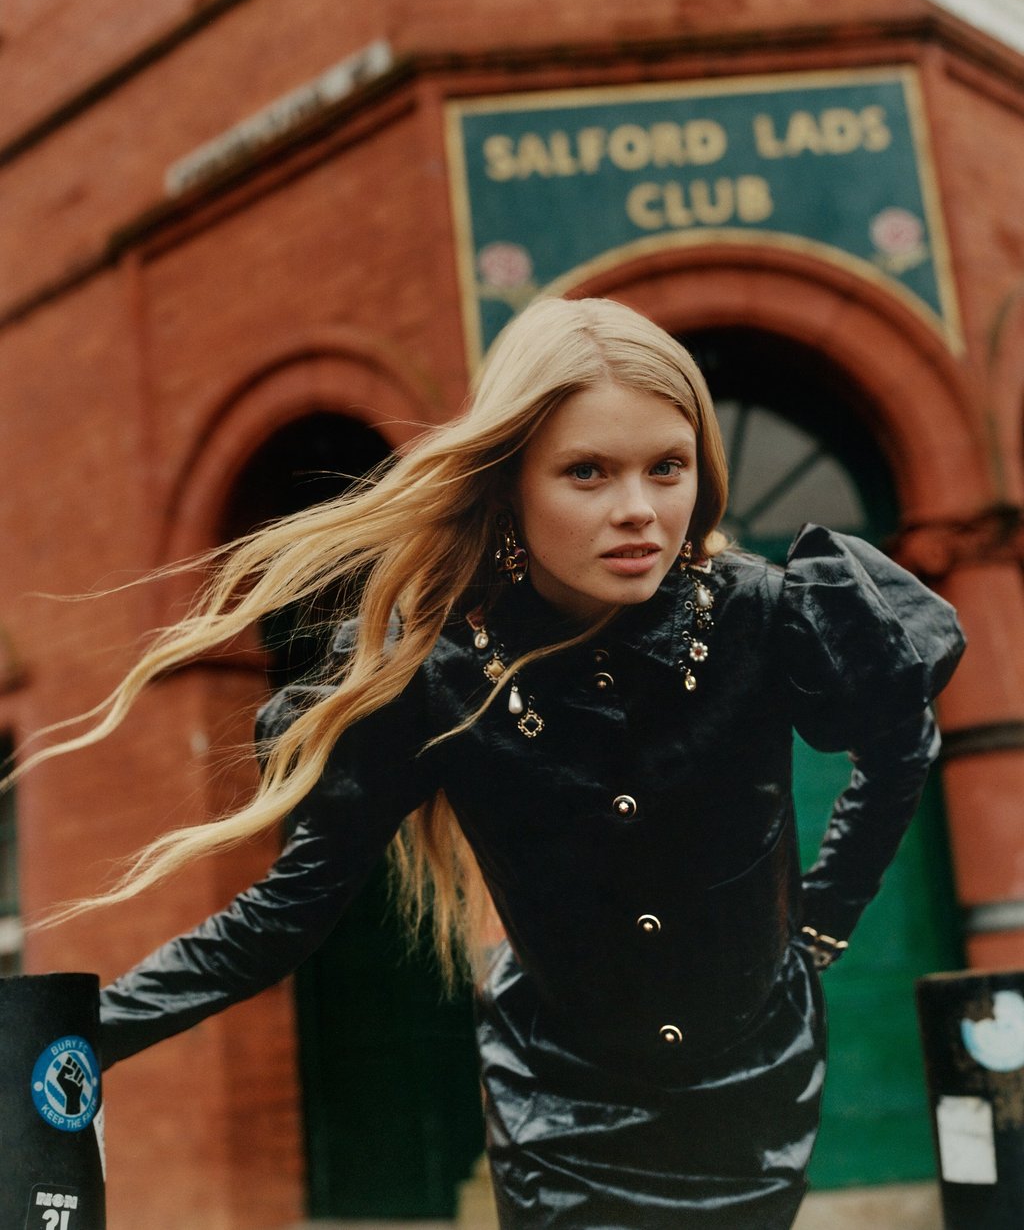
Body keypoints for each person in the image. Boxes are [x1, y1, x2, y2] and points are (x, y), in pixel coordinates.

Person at [34, 297, 965, 1228]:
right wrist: (75, 1038)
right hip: (562, 1103)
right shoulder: (431, 676)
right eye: (587, 472)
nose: (638, 510)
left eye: (666, 467)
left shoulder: (770, 614)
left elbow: (900, 741)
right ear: (511, 479)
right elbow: (287, 910)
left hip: (752, 1092)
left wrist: (824, 923)